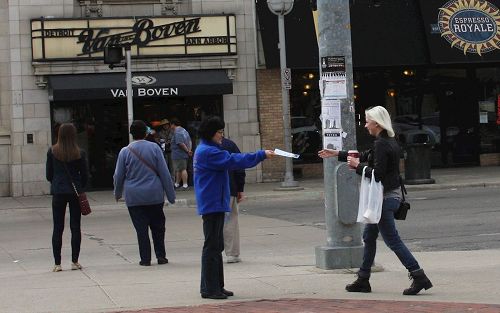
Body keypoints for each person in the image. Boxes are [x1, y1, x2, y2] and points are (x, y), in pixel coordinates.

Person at [318, 106, 433, 296]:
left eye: (367, 121)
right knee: (369, 237)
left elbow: (377, 174)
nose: (365, 125)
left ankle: (419, 276)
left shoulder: (382, 144)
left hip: (384, 200)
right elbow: (366, 156)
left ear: (377, 124)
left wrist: (357, 167)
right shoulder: (387, 140)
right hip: (387, 198)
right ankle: (363, 279)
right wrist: (337, 154)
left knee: (393, 241)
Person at [194, 116, 274, 299]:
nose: (222, 135)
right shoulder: (209, 152)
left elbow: (232, 160)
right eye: (219, 132)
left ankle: (216, 285)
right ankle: (209, 288)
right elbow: (235, 160)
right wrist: (261, 154)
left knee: (216, 245)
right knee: (212, 247)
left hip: (215, 202)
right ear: (211, 133)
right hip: (212, 203)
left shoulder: (209, 149)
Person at [114, 120, 176, 266]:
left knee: (141, 229)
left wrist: (117, 193)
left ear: (131, 134)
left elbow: (118, 176)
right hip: (154, 195)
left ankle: (145, 258)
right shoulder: (155, 148)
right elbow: (164, 173)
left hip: (134, 197)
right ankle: (161, 256)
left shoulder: (125, 151)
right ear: (146, 133)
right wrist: (171, 195)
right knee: (158, 227)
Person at [46, 123, 88, 272]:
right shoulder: (79, 153)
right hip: (74, 192)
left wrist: (57, 182)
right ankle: (75, 261)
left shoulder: (52, 152)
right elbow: (84, 175)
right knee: (75, 227)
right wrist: (80, 186)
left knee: (58, 227)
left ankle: (57, 263)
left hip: (58, 191)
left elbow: (48, 175)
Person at [221, 137, 245, 264]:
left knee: (213, 221)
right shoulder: (229, 145)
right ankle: (232, 253)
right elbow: (239, 166)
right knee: (231, 220)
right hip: (229, 187)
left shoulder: (203, 147)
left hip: (211, 191)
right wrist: (240, 188)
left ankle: (214, 250)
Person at [170, 118, 192, 190]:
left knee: (182, 169)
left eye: (171, 125)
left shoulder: (177, 132)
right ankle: (177, 184)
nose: (170, 126)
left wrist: (187, 150)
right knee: (178, 169)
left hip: (179, 153)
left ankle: (185, 185)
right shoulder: (184, 130)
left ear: (173, 124)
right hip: (182, 153)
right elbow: (189, 141)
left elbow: (180, 143)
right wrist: (189, 149)